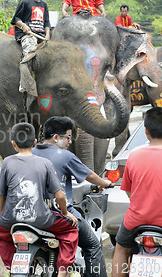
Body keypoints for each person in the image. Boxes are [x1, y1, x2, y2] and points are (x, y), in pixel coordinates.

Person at [0, 122, 78, 277]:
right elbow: (59, 195)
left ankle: (12, 267)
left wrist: (0, 213)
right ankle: (63, 271)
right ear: (34, 143)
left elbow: (0, 194)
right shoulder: (44, 163)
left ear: (13, 144)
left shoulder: (7, 162)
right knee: (71, 231)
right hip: (41, 219)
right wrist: (65, 213)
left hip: (10, 220)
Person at [33, 116, 111, 277]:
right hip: (57, 215)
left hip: (29, 215)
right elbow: (89, 176)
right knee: (93, 245)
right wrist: (104, 183)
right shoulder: (65, 156)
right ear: (56, 137)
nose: (70, 142)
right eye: (68, 137)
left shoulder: (30, 153)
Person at [112, 107, 162, 277]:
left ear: (146, 132)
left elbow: (128, 191)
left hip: (136, 220)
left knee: (120, 248)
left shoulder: (134, 155)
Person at [11, 0, 52, 99]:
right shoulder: (25, 1)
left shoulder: (44, 5)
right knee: (30, 50)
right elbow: (15, 19)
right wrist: (23, 25)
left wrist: (47, 34)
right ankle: (25, 82)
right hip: (27, 35)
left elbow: (46, 23)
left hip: (40, 35)